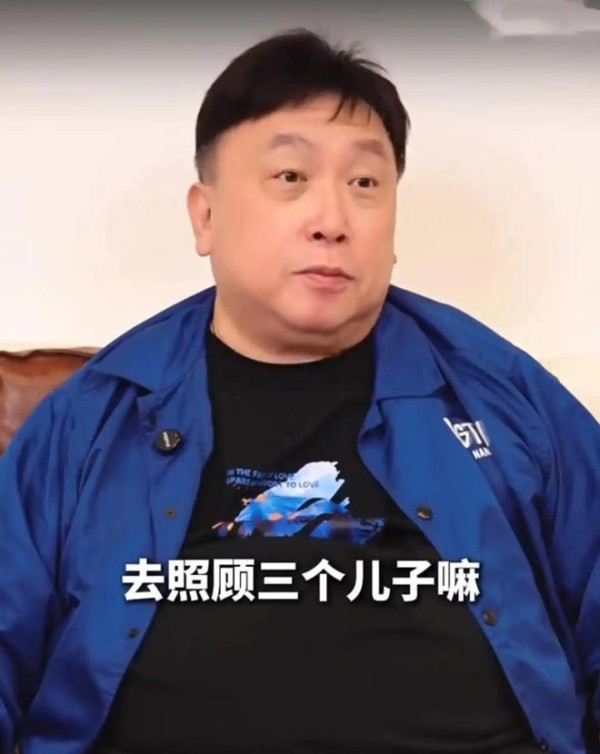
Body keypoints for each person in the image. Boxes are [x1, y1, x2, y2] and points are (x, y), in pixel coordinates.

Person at [0, 28, 598, 754]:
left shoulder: (499, 393)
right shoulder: (95, 416)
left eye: (365, 184)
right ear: (205, 216)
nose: (333, 222)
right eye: (291, 177)